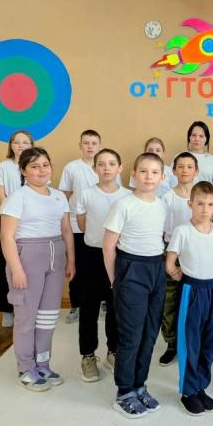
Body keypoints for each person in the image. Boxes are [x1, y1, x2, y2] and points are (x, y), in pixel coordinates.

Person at [0, 147, 75, 391]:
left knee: (48, 317)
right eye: (34, 166)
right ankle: (26, 368)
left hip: (56, 256)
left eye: (45, 165)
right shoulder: (18, 197)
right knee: (26, 317)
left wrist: (71, 260)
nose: (41, 170)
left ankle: (43, 364)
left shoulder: (59, 196)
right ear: (24, 171)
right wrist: (17, 269)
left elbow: (66, 230)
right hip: (28, 258)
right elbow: (7, 237)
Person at [102, 152, 167, 418]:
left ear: (162, 177)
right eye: (143, 171)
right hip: (131, 270)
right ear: (133, 175)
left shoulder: (162, 205)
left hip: (156, 269)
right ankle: (124, 392)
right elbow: (108, 247)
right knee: (131, 335)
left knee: (150, 334)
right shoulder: (123, 205)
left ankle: (140, 386)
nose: (148, 177)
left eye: (154, 172)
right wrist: (115, 281)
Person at [166, 181, 213, 416]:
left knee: (209, 342)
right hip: (191, 290)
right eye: (200, 204)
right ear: (190, 204)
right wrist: (178, 274)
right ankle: (188, 391)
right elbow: (170, 263)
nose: (205, 209)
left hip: (212, 290)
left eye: (210, 204)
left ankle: (200, 386)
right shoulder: (182, 231)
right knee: (189, 342)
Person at [74, 148, 131, 382]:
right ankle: (88, 355)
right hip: (91, 256)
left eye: (111, 163)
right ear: (94, 168)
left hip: (119, 255)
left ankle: (113, 351)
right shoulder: (86, 194)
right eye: (101, 164)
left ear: (120, 168)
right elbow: (82, 223)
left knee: (116, 306)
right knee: (88, 307)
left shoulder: (128, 196)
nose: (106, 168)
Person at [59, 129, 105, 324]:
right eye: (86, 143)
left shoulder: (105, 166)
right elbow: (66, 195)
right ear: (80, 146)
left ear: (99, 146)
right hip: (76, 226)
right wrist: (66, 221)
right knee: (76, 265)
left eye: (94, 143)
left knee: (101, 266)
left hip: (100, 227)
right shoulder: (71, 168)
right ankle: (75, 304)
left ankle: (103, 302)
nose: (90, 146)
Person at [159, 152, 199, 366]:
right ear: (173, 170)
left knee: (194, 300)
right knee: (170, 300)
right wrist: (169, 259)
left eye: (189, 166)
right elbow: (161, 229)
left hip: (194, 252)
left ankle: (191, 342)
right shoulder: (167, 197)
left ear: (196, 171)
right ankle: (171, 343)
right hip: (170, 252)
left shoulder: (201, 196)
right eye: (180, 166)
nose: (185, 170)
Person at [0, 130, 34, 327]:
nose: (20, 145)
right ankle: (7, 309)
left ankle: (27, 308)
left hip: (31, 220)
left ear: (31, 145)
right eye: (16, 142)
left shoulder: (35, 165)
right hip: (9, 218)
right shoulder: (3, 166)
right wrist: (12, 212)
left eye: (25, 142)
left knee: (28, 264)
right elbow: (1, 193)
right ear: (11, 145)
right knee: (6, 262)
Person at [184, 121, 213, 186]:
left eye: (201, 136)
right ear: (189, 137)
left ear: (206, 139)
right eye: (193, 135)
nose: (197, 139)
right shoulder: (179, 158)